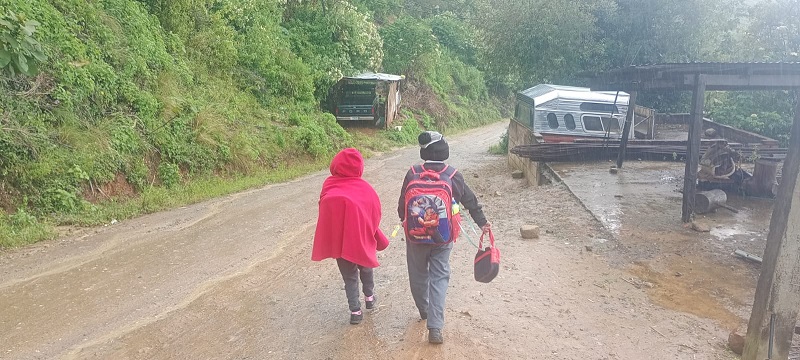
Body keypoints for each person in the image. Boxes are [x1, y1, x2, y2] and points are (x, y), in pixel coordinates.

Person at [397, 131, 491, 344]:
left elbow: (403, 204)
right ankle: (435, 327)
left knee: (417, 275)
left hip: (415, 235)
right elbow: (470, 201)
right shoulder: (453, 174)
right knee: (439, 278)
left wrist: (406, 221)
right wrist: (482, 222)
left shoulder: (412, 173)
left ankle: (424, 310)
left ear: (425, 152)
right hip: (443, 237)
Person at [313, 148, 389, 325]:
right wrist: (370, 229)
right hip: (361, 238)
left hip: (340, 241)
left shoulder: (329, 184)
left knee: (349, 276)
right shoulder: (365, 188)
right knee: (366, 267)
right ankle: (369, 298)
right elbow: (375, 212)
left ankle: (355, 311)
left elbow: (324, 209)